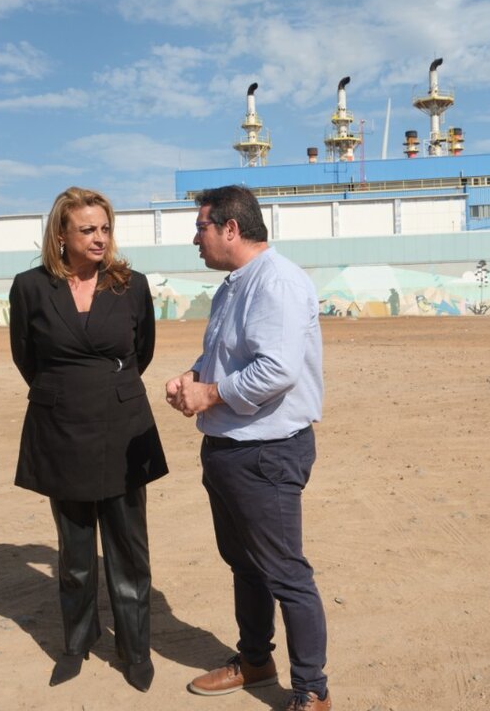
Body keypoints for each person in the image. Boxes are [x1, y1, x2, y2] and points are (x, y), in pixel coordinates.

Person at [165, 185, 331, 711]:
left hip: (266, 451)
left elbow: (276, 371)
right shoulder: (235, 286)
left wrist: (209, 393)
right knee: (246, 565)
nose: (196, 239)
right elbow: (230, 353)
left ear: (230, 229)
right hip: (230, 447)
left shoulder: (276, 283)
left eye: (201, 227)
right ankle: (256, 660)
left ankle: (312, 692)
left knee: (285, 573)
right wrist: (194, 376)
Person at [9, 187, 168, 692]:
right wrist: (66, 390)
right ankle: (77, 642)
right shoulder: (30, 287)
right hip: (60, 428)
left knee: (128, 547)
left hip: (122, 427)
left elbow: (141, 351)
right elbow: (25, 357)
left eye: (104, 229)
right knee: (75, 552)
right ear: (62, 235)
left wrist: (107, 387)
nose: (99, 238)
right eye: (87, 230)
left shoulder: (131, 285)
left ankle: (135, 649)